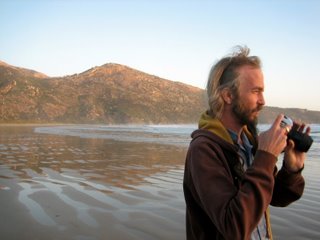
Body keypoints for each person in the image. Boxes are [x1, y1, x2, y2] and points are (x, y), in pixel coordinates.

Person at [183, 46, 311, 240]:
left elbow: (274, 197)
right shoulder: (204, 149)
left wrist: (291, 170)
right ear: (228, 96)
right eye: (255, 91)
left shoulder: (249, 141)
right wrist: (266, 158)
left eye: (262, 91)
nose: (263, 101)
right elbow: (233, 227)